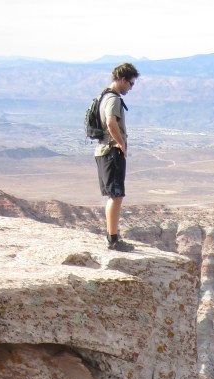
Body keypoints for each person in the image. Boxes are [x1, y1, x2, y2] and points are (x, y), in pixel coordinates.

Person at [94, 63, 140, 250]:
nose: (131, 88)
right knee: (116, 195)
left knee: (114, 195)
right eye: (130, 83)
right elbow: (111, 122)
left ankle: (112, 236)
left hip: (104, 151)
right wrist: (121, 143)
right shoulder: (113, 99)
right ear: (122, 79)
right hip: (111, 152)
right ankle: (113, 240)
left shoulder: (104, 95)